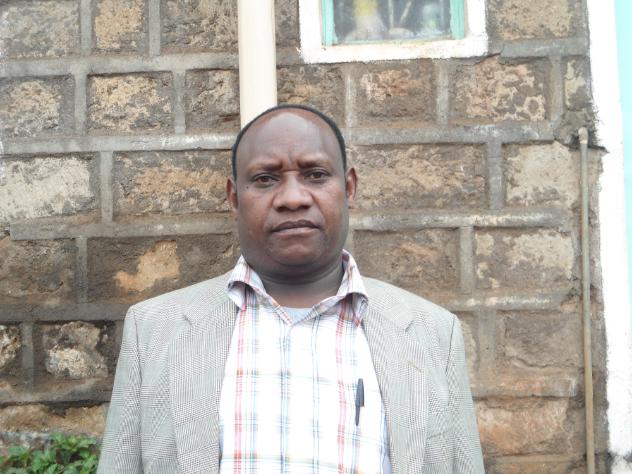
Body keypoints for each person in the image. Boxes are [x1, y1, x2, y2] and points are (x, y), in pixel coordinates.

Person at [97, 104, 484, 473]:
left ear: (349, 187)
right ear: (234, 198)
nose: (293, 198)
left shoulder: (432, 333)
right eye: (265, 179)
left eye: (315, 174)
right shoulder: (155, 329)